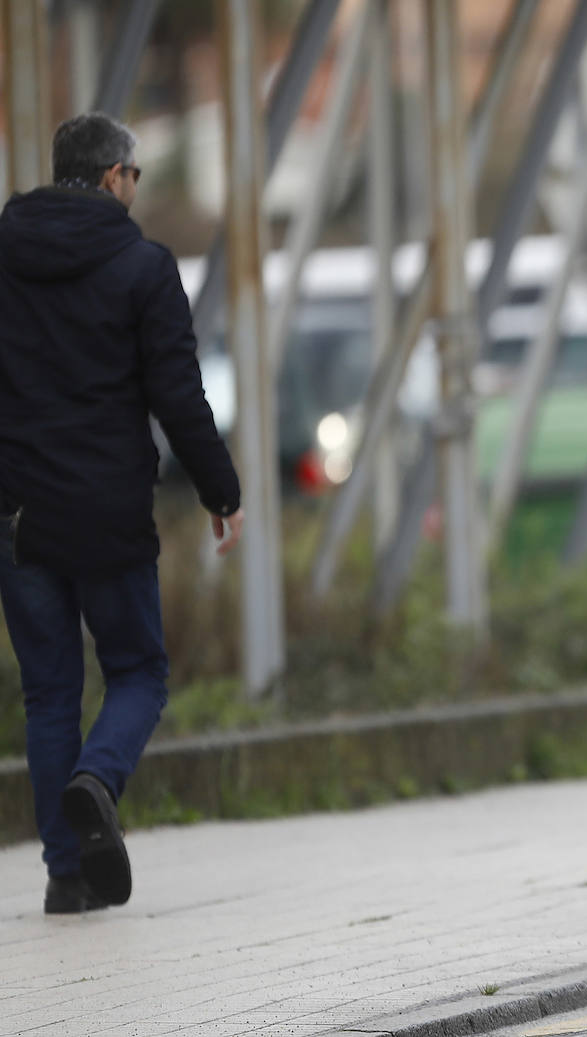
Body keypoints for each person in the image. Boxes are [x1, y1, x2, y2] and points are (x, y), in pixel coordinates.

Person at [0, 112, 244, 915]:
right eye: (134, 175)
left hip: (20, 514)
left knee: (49, 696)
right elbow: (178, 393)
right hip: (106, 512)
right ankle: (96, 779)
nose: (136, 189)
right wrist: (220, 490)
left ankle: (66, 877)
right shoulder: (142, 267)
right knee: (139, 671)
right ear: (112, 177)